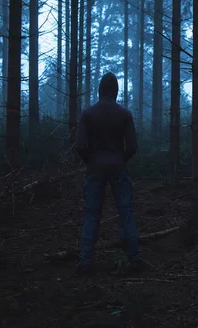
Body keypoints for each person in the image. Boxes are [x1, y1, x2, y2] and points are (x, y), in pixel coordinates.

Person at [74, 72, 143, 276]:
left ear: (99, 89)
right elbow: (132, 146)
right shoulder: (124, 114)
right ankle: (135, 259)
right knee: (125, 212)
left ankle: (85, 262)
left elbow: (80, 146)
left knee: (92, 215)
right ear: (116, 90)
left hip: (95, 168)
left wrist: (91, 161)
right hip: (118, 168)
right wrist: (121, 160)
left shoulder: (88, 114)